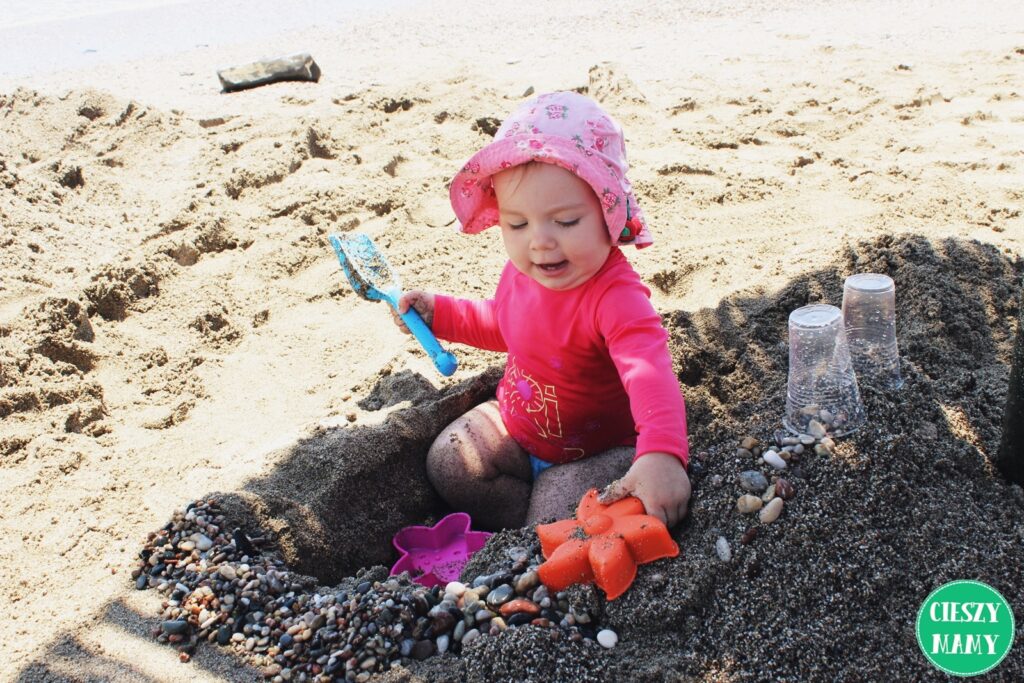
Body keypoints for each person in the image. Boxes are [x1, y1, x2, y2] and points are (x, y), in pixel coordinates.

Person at [393, 91, 691, 530]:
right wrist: (440, 314)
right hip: (517, 429)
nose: (540, 241)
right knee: (450, 459)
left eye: (566, 222)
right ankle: (511, 529)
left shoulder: (615, 297)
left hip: (598, 454)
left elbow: (651, 374)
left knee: (550, 521)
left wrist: (662, 454)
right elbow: (504, 323)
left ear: (608, 214)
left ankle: (526, 536)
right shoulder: (525, 272)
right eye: (518, 223)